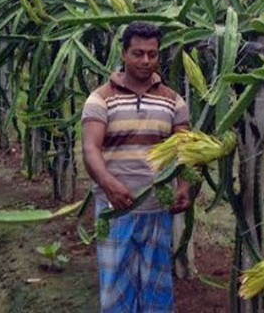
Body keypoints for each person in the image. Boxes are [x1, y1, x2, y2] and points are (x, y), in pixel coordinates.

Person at [82, 21, 191, 312]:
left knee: (157, 292)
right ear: (123, 54)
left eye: (152, 54)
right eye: (138, 53)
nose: (145, 61)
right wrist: (107, 183)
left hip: (157, 210)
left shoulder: (174, 102)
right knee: (116, 293)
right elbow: (90, 148)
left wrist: (183, 185)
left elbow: (184, 150)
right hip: (115, 211)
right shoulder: (101, 99)